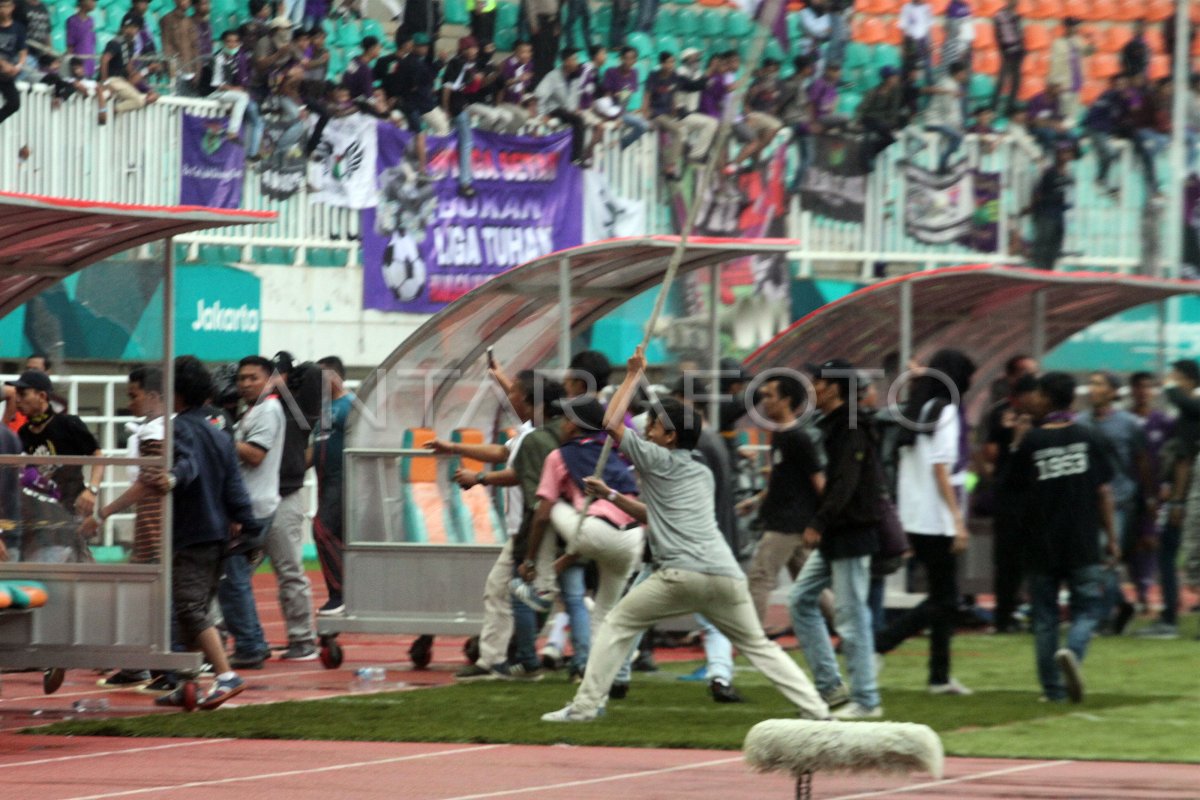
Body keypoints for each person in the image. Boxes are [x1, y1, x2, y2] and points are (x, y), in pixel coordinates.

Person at [540, 347, 830, 723]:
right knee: (758, 646)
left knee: (616, 625)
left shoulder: (658, 458)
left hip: (680, 574)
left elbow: (610, 424)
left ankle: (583, 707)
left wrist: (631, 374)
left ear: (670, 436)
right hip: (725, 575)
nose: (646, 430)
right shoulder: (700, 470)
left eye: (654, 427)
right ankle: (818, 710)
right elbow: (657, 515)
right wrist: (611, 496)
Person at [435, 369, 561, 679]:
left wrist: (478, 477)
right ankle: (497, 660)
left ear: (530, 400)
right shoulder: (533, 431)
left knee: (532, 593)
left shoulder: (536, 437)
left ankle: (521, 660)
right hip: (525, 526)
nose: (509, 396)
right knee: (507, 590)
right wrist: (455, 448)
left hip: (533, 526)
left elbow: (516, 473)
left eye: (514, 392)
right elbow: (503, 453)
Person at [149, 356, 257, 709]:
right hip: (217, 535)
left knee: (191, 609)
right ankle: (188, 681)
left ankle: (226, 676)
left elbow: (187, 465)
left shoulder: (178, 428)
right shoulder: (220, 433)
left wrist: (172, 478)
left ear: (175, 391)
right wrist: (250, 526)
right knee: (189, 611)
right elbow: (235, 487)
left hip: (191, 531)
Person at [1002, 372, 1115, 704]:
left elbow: (1009, 491)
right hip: (1082, 540)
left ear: (1048, 398)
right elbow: (1103, 492)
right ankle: (1073, 653)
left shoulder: (1032, 442)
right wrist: (1112, 537)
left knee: (1046, 618)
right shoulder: (1088, 436)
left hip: (1041, 543)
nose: (1032, 399)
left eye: (1037, 393)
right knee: (1087, 610)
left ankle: (1052, 691)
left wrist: (1016, 444)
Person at [523, 395, 644, 684]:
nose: (562, 423)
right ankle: (605, 676)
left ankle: (543, 586)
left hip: (594, 531)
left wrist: (530, 560)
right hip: (632, 540)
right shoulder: (611, 451)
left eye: (566, 418)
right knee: (604, 613)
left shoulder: (558, 455)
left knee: (547, 508)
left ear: (574, 425)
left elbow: (541, 516)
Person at [875, 349, 975, 696]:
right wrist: (958, 521)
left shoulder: (917, 410)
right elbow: (940, 469)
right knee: (945, 600)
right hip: (938, 519)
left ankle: (939, 676)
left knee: (942, 598)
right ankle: (881, 643)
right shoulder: (945, 412)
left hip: (916, 516)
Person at [788, 358, 882, 720]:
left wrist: (819, 521)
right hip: (838, 532)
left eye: (817, 380)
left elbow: (846, 481)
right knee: (800, 600)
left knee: (851, 616)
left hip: (852, 532)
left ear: (834, 387)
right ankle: (831, 687)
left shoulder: (853, 427)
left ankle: (867, 700)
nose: (811, 386)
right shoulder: (834, 424)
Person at [740, 375, 828, 631]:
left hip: (788, 525)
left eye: (770, 395)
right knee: (809, 582)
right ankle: (846, 626)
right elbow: (783, 482)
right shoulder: (780, 435)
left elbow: (818, 481)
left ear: (786, 401)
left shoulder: (799, 438)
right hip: (787, 521)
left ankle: (751, 639)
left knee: (760, 577)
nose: (764, 401)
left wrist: (824, 521)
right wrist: (757, 500)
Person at [218, 355, 282, 669]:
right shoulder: (255, 411)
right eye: (241, 378)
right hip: (254, 504)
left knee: (233, 580)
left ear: (269, 380)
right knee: (235, 579)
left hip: (253, 508)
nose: (245, 384)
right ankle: (254, 641)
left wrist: (221, 437)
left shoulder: (268, 410)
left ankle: (249, 646)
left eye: (252, 378)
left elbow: (255, 455)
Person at [1078, 372, 1153, 636]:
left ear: (1113, 392)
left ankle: (1104, 616)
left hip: (1120, 499)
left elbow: (1142, 460)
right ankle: (1120, 604)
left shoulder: (1129, 424)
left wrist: (1148, 498)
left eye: (1099, 384)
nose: (1093, 388)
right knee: (1094, 558)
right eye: (1092, 383)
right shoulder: (1080, 422)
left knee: (1107, 556)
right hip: (1087, 500)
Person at [264, 351, 321, 660]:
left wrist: (294, 373)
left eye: (278, 373)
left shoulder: (297, 407)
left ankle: (302, 640)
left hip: (285, 496)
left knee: (290, 571)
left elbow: (314, 374)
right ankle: (246, 641)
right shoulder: (261, 408)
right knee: (232, 574)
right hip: (255, 500)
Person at [982, 360, 1039, 633]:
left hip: (1037, 495)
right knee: (1007, 559)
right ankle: (1004, 616)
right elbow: (989, 451)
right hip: (1008, 495)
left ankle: (1032, 613)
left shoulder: (1043, 416)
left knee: (1037, 557)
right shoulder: (999, 413)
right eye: (1027, 371)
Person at [10, 369, 103, 526]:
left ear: (42, 396)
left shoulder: (68, 424)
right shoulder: (24, 433)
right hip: (40, 513)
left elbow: (98, 455)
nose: (17, 400)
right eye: (16, 394)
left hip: (71, 511)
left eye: (23, 394)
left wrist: (92, 490)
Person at [312, 356, 353, 616]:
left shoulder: (351, 406)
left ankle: (342, 593)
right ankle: (341, 593)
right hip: (324, 481)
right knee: (333, 535)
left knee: (322, 530)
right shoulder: (322, 412)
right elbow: (314, 449)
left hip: (343, 480)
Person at [641, 51, 715, 179]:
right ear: (661, 64)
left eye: (672, 62)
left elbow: (676, 94)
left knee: (683, 132)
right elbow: (647, 95)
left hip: (669, 114)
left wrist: (675, 113)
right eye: (669, 62)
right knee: (680, 131)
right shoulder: (654, 76)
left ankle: (684, 163)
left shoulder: (675, 77)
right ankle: (670, 167)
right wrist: (645, 112)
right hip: (657, 113)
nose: (671, 65)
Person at [1024, 144, 1074, 271]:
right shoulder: (1050, 173)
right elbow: (1038, 193)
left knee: (1054, 248)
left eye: (1068, 153)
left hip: (1059, 217)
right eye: (1063, 153)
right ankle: (1038, 273)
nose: (1066, 156)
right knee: (1042, 247)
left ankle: (1048, 273)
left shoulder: (1068, 175)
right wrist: (1035, 209)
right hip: (1047, 215)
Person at [922, 61, 967, 173]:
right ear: (958, 73)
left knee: (954, 140)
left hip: (942, 121)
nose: (965, 75)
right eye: (964, 73)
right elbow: (947, 110)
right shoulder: (948, 85)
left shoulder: (953, 84)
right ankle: (942, 166)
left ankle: (944, 165)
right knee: (957, 137)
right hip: (934, 121)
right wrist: (957, 126)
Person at [1048, 17, 1090, 122]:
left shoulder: (1078, 40)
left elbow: (1086, 52)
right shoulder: (1058, 43)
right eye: (1074, 26)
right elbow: (1055, 64)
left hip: (1077, 81)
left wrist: (1091, 46)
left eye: (1076, 27)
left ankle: (1071, 132)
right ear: (1067, 27)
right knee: (1064, 113)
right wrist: (1056, 83)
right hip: (1064, 83)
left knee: (1073, 113)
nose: (1076, 29)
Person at [992, 0, 1024, 116]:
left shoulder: (1017, 16)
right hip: (1006, 52)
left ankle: (1009, 109)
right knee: (1001, 81)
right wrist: (1004, 50)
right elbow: (999, 35)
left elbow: (1019, 35)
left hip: (1017, 52)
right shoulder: (1000, 15)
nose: (1016, 2)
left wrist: (1022, 50)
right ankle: (993, 108)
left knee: (1016, 82)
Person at [0, 0, 26, 127]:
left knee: (14, 104)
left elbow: (23, 51)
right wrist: (2, 63)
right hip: (3, 67)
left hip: (6, 73)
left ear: (12, 8)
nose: (2, 10)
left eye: (5, 7)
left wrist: (18, 66)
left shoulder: (18, 28)